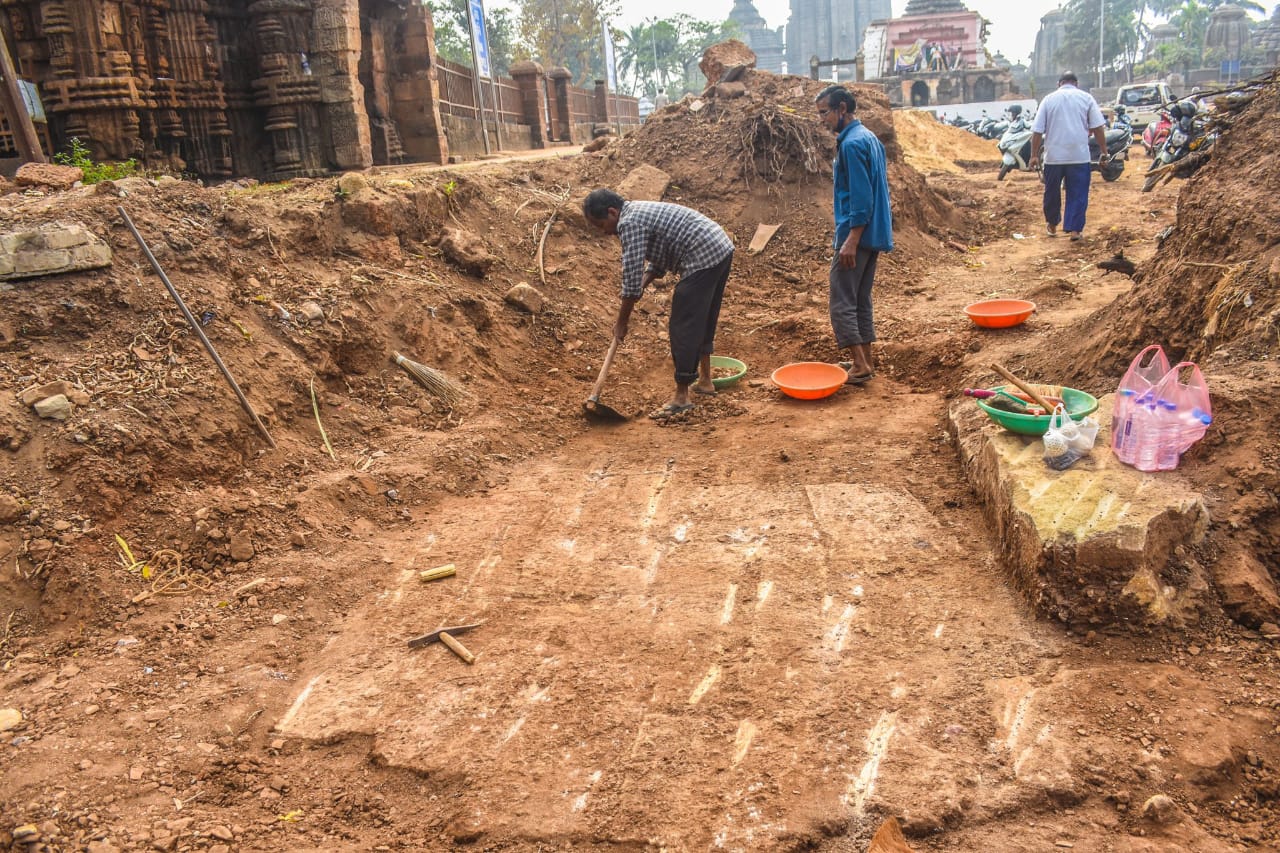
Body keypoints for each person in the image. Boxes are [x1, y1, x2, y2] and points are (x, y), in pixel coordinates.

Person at [582, 189, 734, 420]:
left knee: (684, 324)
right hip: (719, 246)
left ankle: (682, 397)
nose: (604, 232)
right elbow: (658, 257)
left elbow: (630, 279)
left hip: (702, 253)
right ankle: (705, 381)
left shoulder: (629, 223)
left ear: (613, 212)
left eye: (601, 224)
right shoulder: (638, 211)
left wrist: (621, 322)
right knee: (704, 316)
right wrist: (643, 283)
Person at [815, 85, 893, 384]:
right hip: (874, 234)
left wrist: (851, 240)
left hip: (857, 235)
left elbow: (861, 199)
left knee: (841, 301)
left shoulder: (851, 145)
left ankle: (859, 366)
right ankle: (866, 361)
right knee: (860, 299)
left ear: (842, 109)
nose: (822, 120)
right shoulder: (869, 137)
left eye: (825, 113)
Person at [1030, 71, 1110, 241]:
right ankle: (1075, 230)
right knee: (1078, 192)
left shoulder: (1048, 100)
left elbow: (1037, 130)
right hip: (1079, 155)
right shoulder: (1086, 98)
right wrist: (1104, 151)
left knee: (1051, 192)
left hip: (1053, 156)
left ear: (1059, 84)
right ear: (1076, 83)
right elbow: (1098, 128)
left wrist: (1033, 155)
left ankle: (1052, 224)